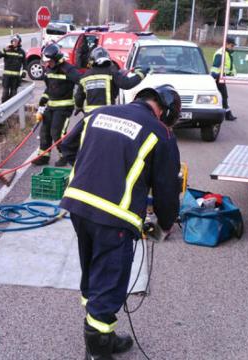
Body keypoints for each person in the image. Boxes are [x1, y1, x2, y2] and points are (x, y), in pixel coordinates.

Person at [59, 84, 182, 360]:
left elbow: (67, 147)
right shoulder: (160, 133)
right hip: (115, 218)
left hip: (78, 206)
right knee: (111, 281)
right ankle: (98, 351)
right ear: (166, 112)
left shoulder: (99, 113)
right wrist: (165, 223)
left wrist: (95, 172)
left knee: (93, 271)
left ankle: (104, 335)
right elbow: (166, 188)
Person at [32, 43, 82, 167]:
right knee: (45, 132)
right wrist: (42, 104)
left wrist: (80, 100)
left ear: (56, 59)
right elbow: (49, 89)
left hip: (64, 108)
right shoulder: (49, 69)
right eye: (46, 62)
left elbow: (82, 82)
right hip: (51, 106)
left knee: (57, 133)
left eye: (49, 62)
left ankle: (64, 156)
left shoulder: (68, 69)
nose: (47, 64)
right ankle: (43, 156)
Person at [74, 47, 147, 115]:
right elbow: (127, 84)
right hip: (107, 113)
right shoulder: (112, 72)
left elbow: (79, 96)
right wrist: (141, 74)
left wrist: (79, 107)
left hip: (90, 115)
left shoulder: (85, 76)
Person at [211, 36, 237, 121]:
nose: (233, 47)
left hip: (221, 78)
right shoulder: (221, 53)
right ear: (226, 44)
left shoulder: (227, 53)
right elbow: (215, 67)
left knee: (222, 96)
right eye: (232, 45)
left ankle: (226, 114)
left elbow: (229, 67)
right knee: (223, 96)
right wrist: (217, 76)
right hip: (218, 78)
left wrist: (232, 74)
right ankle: (227, 115)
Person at [0, 34, 26, 103]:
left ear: (19, 42)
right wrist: (4, 50)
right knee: (5, 94)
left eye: (16, 41)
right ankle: (3, 108)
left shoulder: (22, 52)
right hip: (6, 77)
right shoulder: (7, 50)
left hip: (15, 78)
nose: (14, 42)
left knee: (13, 95)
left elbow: (25, 64)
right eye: (13, 41)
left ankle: (11, 110)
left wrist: (24, 72)